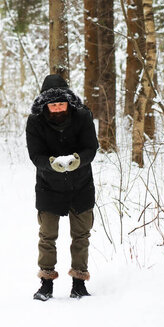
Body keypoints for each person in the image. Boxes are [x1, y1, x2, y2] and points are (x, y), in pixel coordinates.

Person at [26, 74, 98, 301]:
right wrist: (50, 164)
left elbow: (91, 147)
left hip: (81, 185)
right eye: (53, 104)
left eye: (61, 103)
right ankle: (45, 284)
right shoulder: (35, 121)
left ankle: (79, 283)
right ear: (45, 104)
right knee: (47, 236)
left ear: (68, 101)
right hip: (49, 186)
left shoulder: (83, 116)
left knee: (81, 236)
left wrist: (78, 160)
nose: (57, 108)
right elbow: (35, 154)